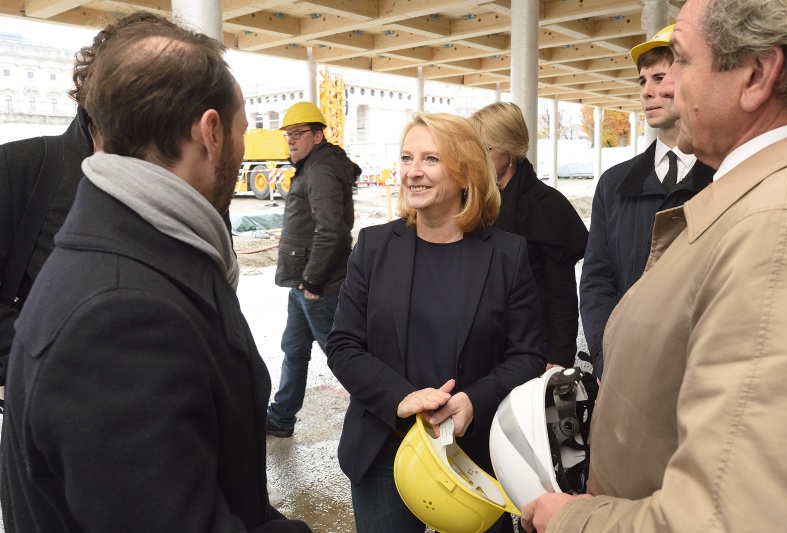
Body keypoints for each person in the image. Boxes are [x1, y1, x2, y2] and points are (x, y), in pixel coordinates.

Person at [3, 19, 311, 533]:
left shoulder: (139, 243)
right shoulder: (120, 318)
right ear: (210, 131)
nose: (241, 149)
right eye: (240, 129)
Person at [520, 0, 787, 531]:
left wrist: (574, 520)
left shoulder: (778, 227)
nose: (669, 86)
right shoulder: (757, 202)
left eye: (681, 62)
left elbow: (729, 516)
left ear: (757, 75)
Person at [325, 112, 547, 532]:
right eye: (407, 158)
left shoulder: (507, 255)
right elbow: (343, 345)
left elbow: (528, 355)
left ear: (466, 174)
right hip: (384, 451)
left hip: (476, 455)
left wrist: (473, 401)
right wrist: (402, 398)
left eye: (430, 159)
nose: (413, 172)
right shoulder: (374, 248)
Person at [0, 12, 177, 532]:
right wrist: (53, 367)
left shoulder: (182, 181)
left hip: (163, 437)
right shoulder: (22, 170)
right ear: (94, 90)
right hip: (53, 444)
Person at [578, 24, 715, 379]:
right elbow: (596, 281)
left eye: (659, 77)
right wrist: (606, 360)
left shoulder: (724, 176)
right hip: (625, 369)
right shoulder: (614, 184)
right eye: (642, 82)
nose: (649, 92)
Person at [266, 101, 359, 438]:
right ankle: (281, 417)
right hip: (303, 283)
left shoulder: (320, 169)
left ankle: (383, 414)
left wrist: (311, 280)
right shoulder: (311, 165)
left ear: (317, 136)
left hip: (319, 285)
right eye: (288, 135)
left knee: (342, 357)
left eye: (298, 134)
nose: (291, 140)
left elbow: (332, 229)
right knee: (293, 349)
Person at [471, 102, 588, 368]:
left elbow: (562, 294)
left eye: (486, 149)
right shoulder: (476, 201)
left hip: (534, 346)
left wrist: (559, 357)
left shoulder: (548, 206)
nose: (477, 157)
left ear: (510, 150)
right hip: (484, 347)